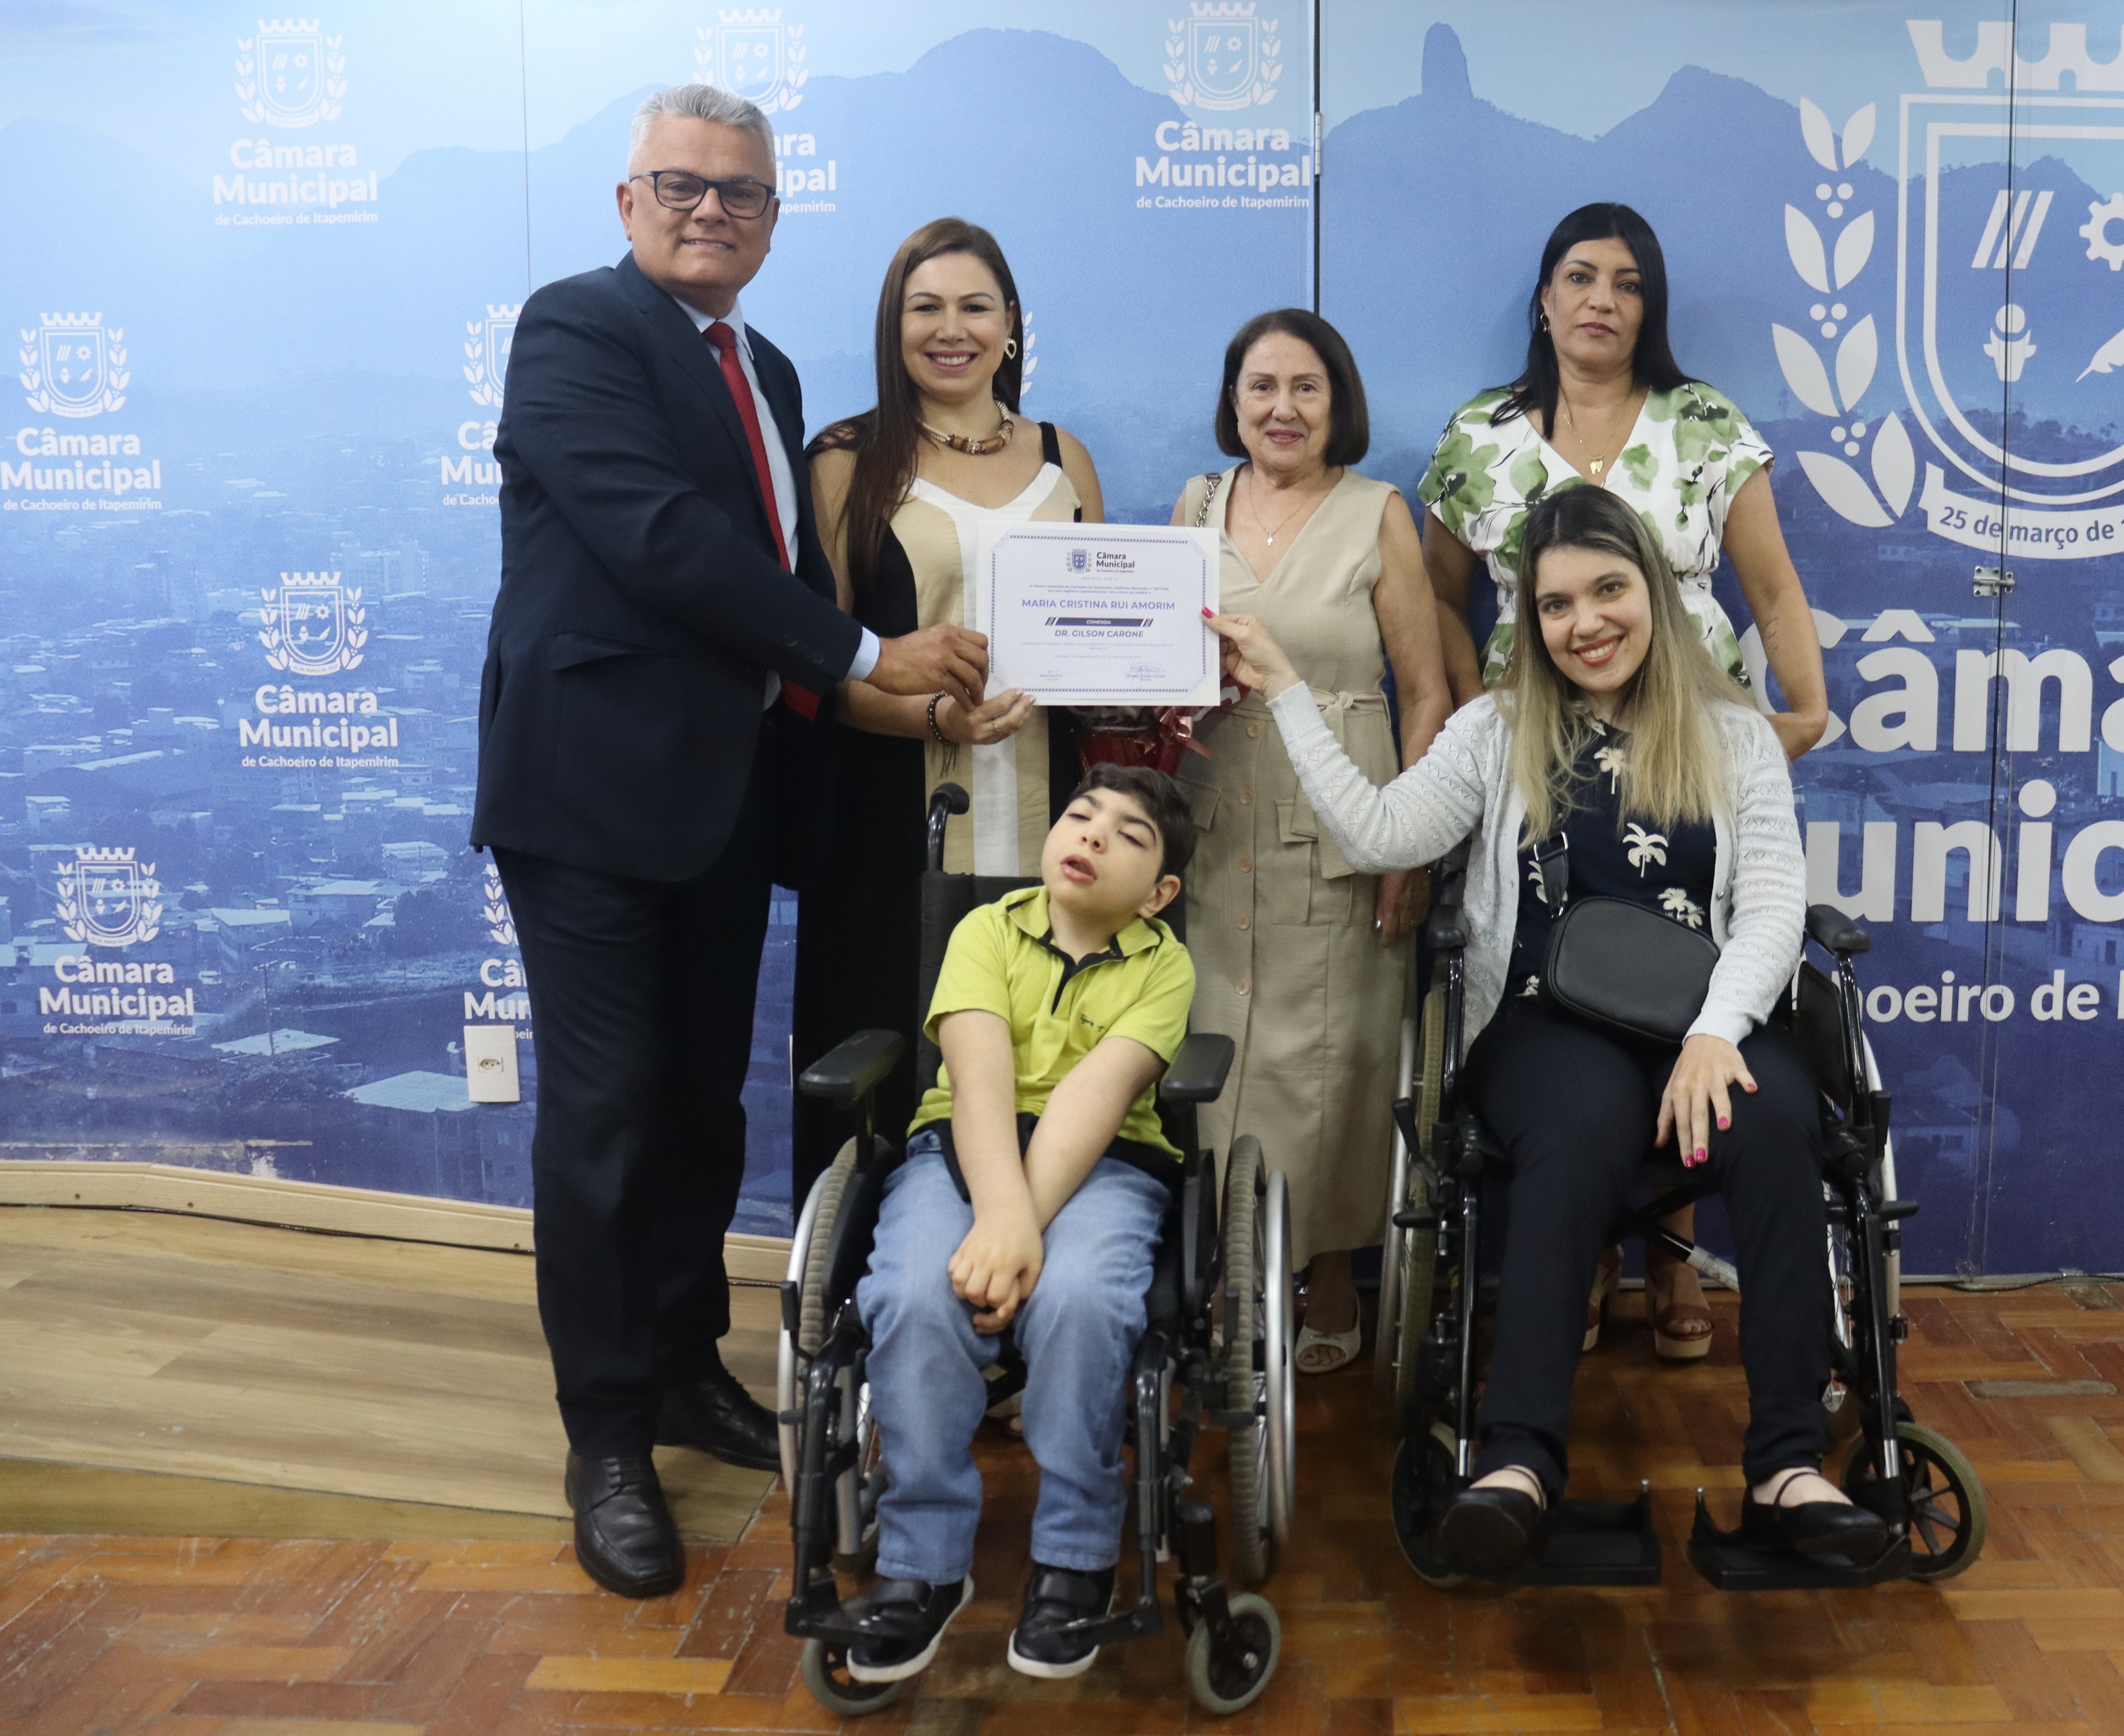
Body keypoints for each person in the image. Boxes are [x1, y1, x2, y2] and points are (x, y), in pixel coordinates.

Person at [472, 83, 987, 1600]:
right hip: (590, 798)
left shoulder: (763, 365)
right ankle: (605, 1435)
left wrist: (885, 688)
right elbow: (659, 539)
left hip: (721, 795)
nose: (711, 211)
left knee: (701, 1101)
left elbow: (771, 569)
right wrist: (867, 651)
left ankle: (686, 1364)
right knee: (607, 1117)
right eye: (682, 185)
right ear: (627, 201)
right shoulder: (574, 329)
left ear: (773, 215)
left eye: (741, 193)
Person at [1208, 486, 1885, 1571]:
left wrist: (1717, 1032)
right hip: (1541, 1020)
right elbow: (1381, 832)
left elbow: (1769, 907)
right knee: (1578, 1122)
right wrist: (1287, 688)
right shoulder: (1494, 730)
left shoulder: (1733, 736)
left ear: (1652, 592)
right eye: (1558, 604)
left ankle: (1787, 1467)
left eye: (1609, 590)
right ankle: (1519, 1459)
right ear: (1532, 621)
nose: (1587, 623)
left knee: (1777, 1119)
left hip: (1703, 1015)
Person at [1420, 200, 1833, 1360]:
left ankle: (1672, 1250)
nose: (1602, 299)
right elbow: (1441, 592)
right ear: (1544, 299)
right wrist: (1473, 717)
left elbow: (1773, 587)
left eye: (1628, 282)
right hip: (1541, 761)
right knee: (1573, 995)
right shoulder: (1481, 433)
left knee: (1683, 962)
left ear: (1650, 307)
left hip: (1690, 751)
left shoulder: (1703, 424)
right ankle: (1593, 1244)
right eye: (1580, 277)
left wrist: (1804, 710)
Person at [845, 765, 1197, 1686]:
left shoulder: (1164, 964)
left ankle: (1076, 1554)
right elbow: (979, 1077)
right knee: (912, 1292)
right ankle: (923, 1563)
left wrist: (1015, 1231)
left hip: (1108, 1159)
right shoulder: (985, 931)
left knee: (1083, 1299)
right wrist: (1000, 1216)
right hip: (964, 1146)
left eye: (1128, 835)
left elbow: (1096, 1096)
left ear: (1159, 893)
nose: (1093, 835)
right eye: (1081, 816)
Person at [794, 219, 1106, 1207]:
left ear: (1011, 324)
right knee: (892, 1077)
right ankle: (876, 1280)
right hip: (892, 836)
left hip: (1051, 824)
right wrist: (934, 717)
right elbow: (820, 666)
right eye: (924, 307)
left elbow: (1104, 636)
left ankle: (1040, 1264)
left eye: (975, 306)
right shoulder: (845, 460)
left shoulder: (1064, 458)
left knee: (1048, 1073)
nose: (951, 329)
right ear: (893, 328)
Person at [1168, 309, 1449, 1374]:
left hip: (1343, 814)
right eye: (1261, 386)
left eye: (1305, 388)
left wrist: (1409, 845)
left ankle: (1332, 1271)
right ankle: (1238, 1266)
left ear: (1339, 404)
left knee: (1339, 1054)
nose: (1281, 408)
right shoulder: (1196, 505)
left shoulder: (1378, 513)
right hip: (1215, 812)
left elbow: (1424, 691)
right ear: (1233, 400)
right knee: (1217, 1041)